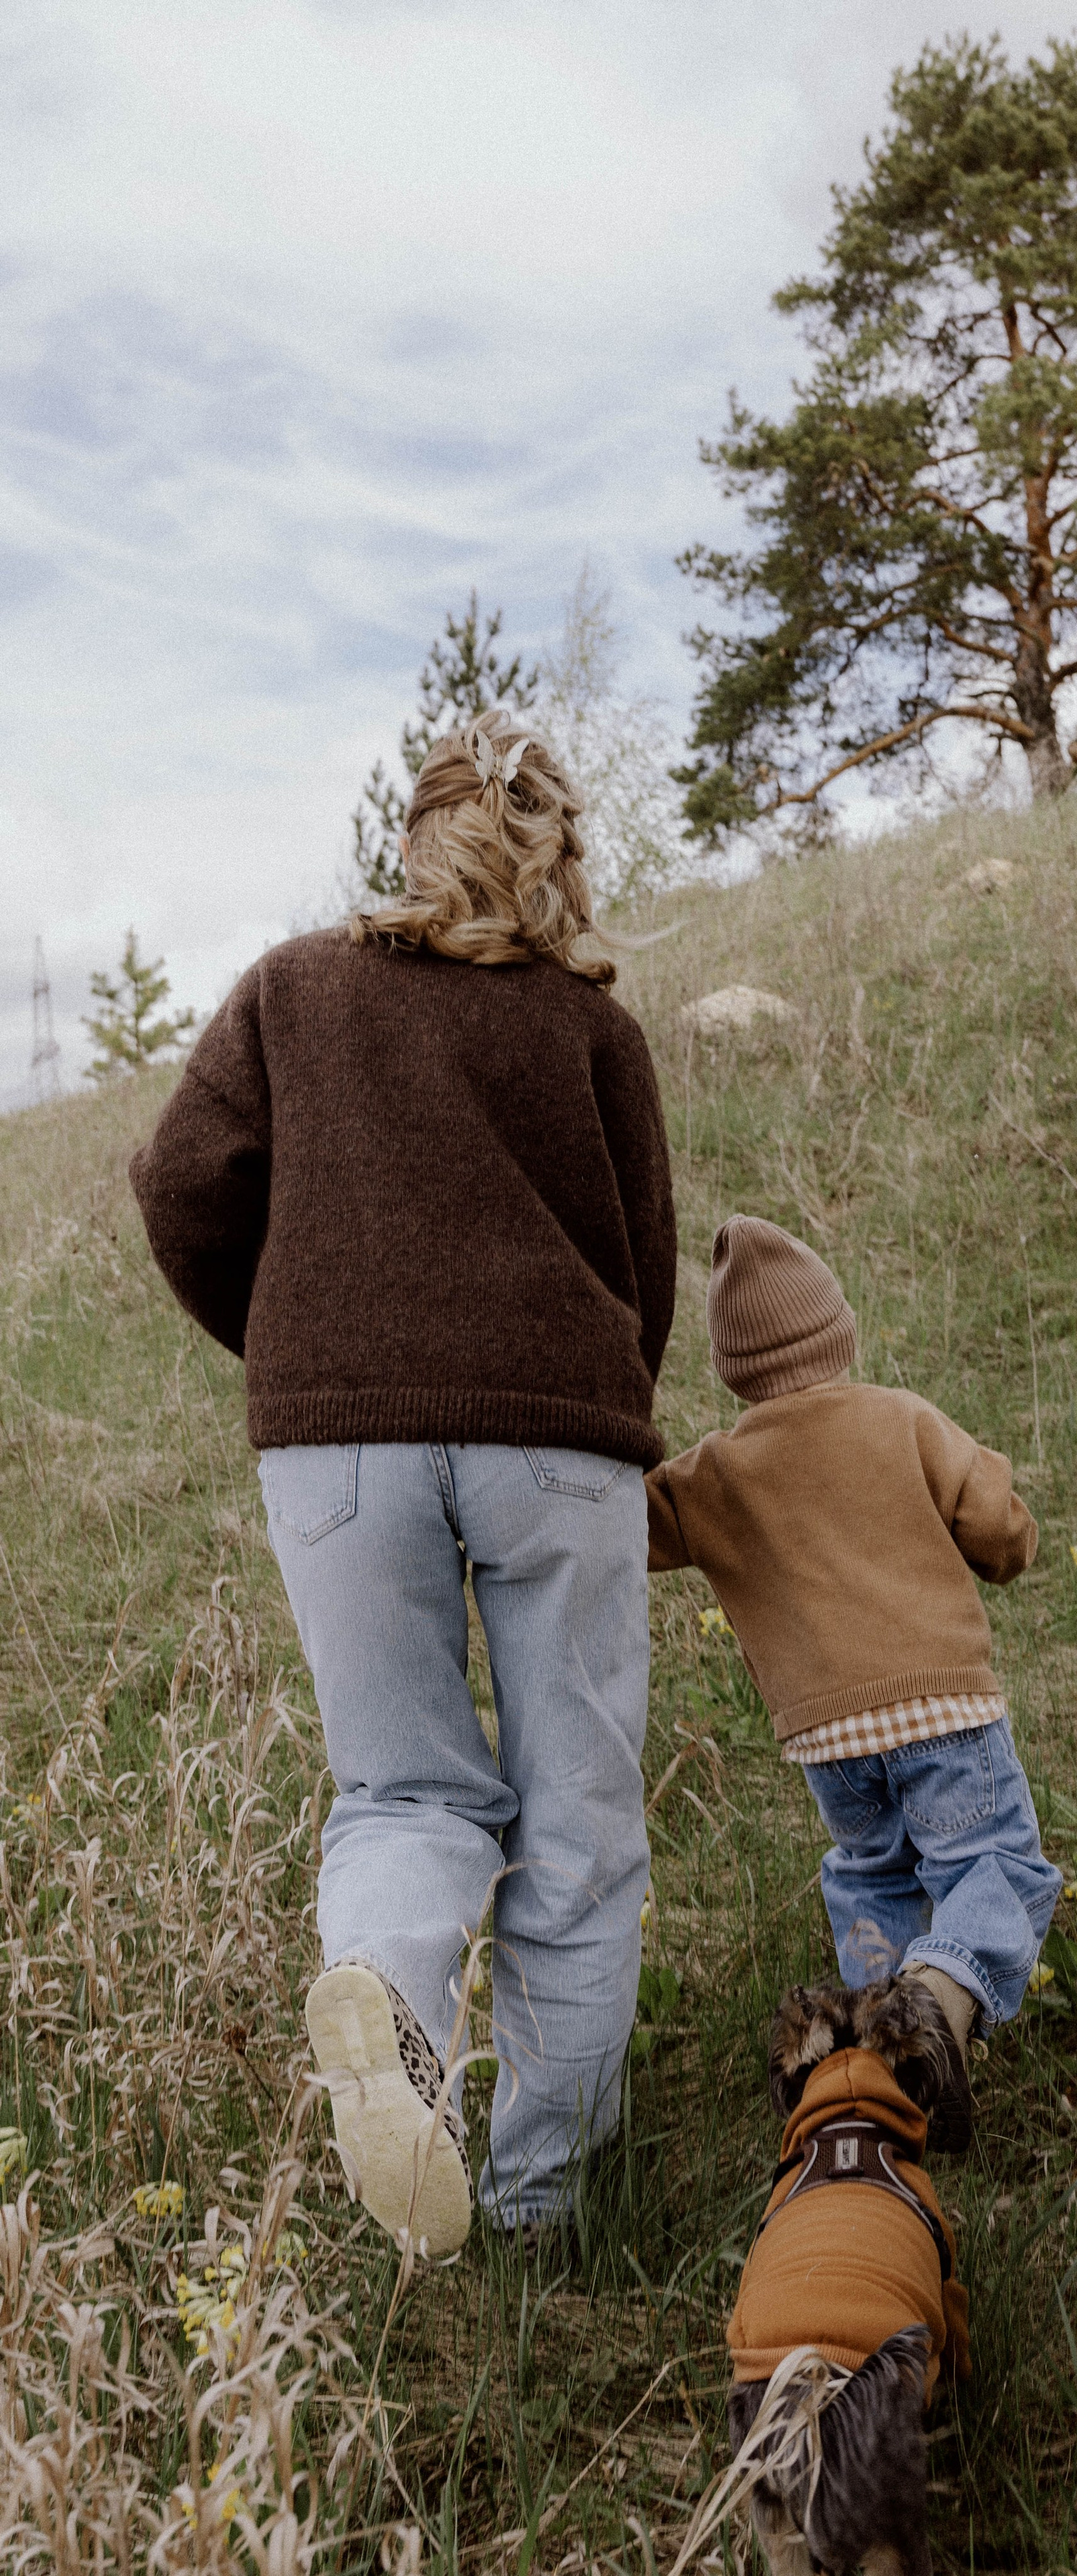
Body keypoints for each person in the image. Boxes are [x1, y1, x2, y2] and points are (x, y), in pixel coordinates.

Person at [131, 710, 676, 2255]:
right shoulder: (591, 1031)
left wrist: (303, 1349)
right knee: (575, 1815)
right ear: (557, 853)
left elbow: (177, 1181)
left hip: (334, 1446)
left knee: (402, 1789)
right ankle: (541, 2205)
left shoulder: (294, 990)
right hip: (555, 1438)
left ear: (413, 835)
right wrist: (603, 1395)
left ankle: (386, 1994)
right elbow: (639, 1260)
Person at [645, 1216, 1060, 2137]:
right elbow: (997, 1523)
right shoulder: (900, 1418)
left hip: (827, 1738)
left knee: (875, 1872)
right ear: (839, 1332)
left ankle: (864, 2058)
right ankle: (936, 2007)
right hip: (942, 1702)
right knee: (994, 1862)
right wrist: (1011, 1551)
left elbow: (634, 1522)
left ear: (731, 1369)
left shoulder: (716, 1472)